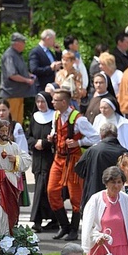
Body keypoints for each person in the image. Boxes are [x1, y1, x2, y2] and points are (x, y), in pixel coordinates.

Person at [47, 89, 99, 241]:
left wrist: (79, 142)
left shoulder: (78, 119)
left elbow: (95, 136)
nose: (52, 102)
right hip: (58, 158)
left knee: (76, 196)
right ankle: (64, 226)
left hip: (73, 159)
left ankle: (74, 229)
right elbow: (54, 130)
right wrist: (52, 136)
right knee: (52, 192)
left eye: (55, 100)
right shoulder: (56, 115)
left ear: (64, 102)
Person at [0, 120, 32, 236]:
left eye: (6, 131)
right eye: (2, 131)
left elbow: (28, 160)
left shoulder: (13, 146)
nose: (5, 133)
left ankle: (8, 239)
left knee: (11, 213)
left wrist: (16, 159)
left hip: (11, 182)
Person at [75, 122, 127, 208]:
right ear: (116, 135)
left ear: (101, 135)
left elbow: (79, 169)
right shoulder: (123, 152)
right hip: (116, 197)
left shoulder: (92, 150)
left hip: (93, 194)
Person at [27, 92, 57, 232]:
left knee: (44, 190)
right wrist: (35, 143)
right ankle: (54, 219)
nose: (40, 104)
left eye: (43, 101)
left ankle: (37, 220)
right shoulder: (34, 117)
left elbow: (55, 138)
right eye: (38, 101)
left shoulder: (54, 116)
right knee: (42, 190)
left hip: (49, 159)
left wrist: (44, 143)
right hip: (37, 160)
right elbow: (30, 137)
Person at [0, 33, 36, 125]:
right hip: (11, 94)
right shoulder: (9, 55)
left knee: (18, 121)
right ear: (16, 43)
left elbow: (20, 71)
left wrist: (29, 75)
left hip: (18, 94)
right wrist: (27, 80)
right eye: (23, 42)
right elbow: (12, 74)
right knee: (12, 121)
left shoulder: (18, 54)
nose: (24, 44)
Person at [29, 29, 62, 93]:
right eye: (53, 39)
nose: (54, 41)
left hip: (52, 85)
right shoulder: (35, 52)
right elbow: (34, 69)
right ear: (48, 39)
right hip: (42, 86)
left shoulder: (49, 51)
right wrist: (50, 68)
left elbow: (58, 63)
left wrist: (58, 52)